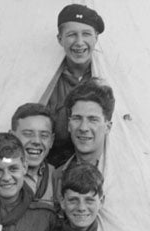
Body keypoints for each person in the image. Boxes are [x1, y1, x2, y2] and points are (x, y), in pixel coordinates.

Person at [46, 4, 105, 166]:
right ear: (60, 39)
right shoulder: (47, 82)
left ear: (96, 37)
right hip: (52, 164)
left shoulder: (104, 78)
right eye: (72, 35)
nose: (79, 43)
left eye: (86, 34)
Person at [52, 80, 114, 200]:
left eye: (93, 119)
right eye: (77, 118)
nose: (83, 128)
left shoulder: (123, 173)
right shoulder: (58, 176)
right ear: (69, 125)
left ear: (108, 127)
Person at [11, 103, 57, 206]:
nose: (36, 141)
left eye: (44, 135)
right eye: (28, 134)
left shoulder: (57, 177)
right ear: (12, 137)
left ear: (51, 141)